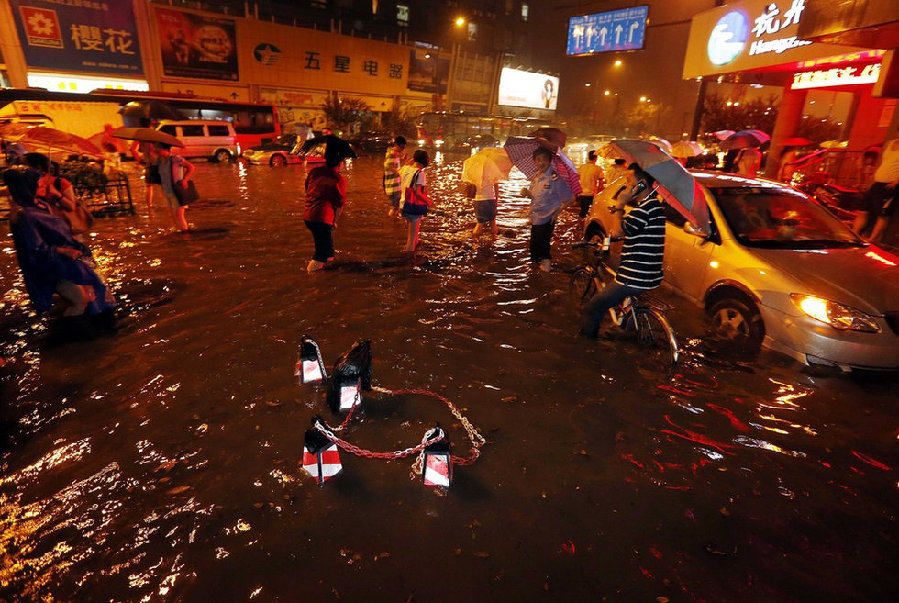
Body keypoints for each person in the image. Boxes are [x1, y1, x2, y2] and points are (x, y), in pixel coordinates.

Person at [2, 168, 115, 321]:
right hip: (51, 267)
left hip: (67, 262)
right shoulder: (24, 215)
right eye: (40, 185)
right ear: (29, 187)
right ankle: (68, 332)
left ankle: (91, 327)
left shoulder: (41, 205)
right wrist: (62, 251)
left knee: (92, 293)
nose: (44, 187)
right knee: (80, 300)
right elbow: (35, 248)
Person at [580, 163, 666, 338]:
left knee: (593, 307)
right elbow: (633, 231)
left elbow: (618, 231)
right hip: (651, 274)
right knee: (617, 268)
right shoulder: (655, 206)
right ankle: (626, 326)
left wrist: (620, 205)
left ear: (641, 184)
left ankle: (585, 346)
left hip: (636, 275)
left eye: (629, 182)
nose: (626, 186)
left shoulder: (642, 210)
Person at [519, 146, 574, 272]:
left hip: (547, 218)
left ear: (550, 161)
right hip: (535, 218)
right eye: (537, 160)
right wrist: (527, 193)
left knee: (543, 247)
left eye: (543, 159)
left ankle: (546, 271)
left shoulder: (555, 178)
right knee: (534, 248)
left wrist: (557, 212)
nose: (540, 163)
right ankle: (535, 276)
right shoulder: (536, 177)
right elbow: (535, 196)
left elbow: (570, 198)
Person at [303, 145, 348, 273]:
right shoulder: (338, 179)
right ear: (340, 163)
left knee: (329, 252)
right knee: (321, 255)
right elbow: (340, 204)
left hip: (308, 215)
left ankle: (328, 271)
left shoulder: (314, 172)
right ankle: (311, 276)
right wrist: (335, 221)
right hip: (322, 218)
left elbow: (307, 189)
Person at [853, 138, 899, 244]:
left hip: (890, 185)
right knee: (863, 210)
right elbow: (882, 161)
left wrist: (896, 181)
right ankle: (854, 234)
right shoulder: (890, 143)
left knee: (883, 215)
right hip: (877, 182)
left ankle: (872, 240)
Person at [156, 143, 196, 232]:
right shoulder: (159, 161)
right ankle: (176, 231)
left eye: (159, 149)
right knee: (171, 215)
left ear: (166, 150)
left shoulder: (175, 159)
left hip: (177, 190)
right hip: (166, 191)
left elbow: (191, 167)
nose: (157, 150)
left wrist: (185, 179)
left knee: (179, 215)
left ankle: (185, 234)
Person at [399, 149, 431, 252]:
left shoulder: (405, 169)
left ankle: (415, 244)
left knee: (413, 236)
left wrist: (413, 159)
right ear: (425, 160)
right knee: (411, 241)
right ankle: (408, 262)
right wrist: (428, 201)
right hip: (413, 206)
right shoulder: (420, 173)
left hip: (403, 205)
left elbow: (406, 165)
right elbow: (417, 193)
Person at [131, 138, 159, 212]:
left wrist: (140, 160)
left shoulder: (141, 140)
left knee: (149, 186)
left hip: (149, 164)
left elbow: (133, 150)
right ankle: (170, 204)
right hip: (159, 163)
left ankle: (149, 206)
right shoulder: (157, 139)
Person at [383, 136, 407, 217]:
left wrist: (402, 160)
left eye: (404, 147)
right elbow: (389, 166)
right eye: (402, 147)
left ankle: (394, 222)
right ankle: (391, 222)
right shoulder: (391, 153)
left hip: (396, 186)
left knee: (396, 206)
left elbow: (392, 163)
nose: (403, 149)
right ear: (396, 145)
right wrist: (400, 173)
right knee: (394, 207)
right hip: (393, 187)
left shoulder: (394, 154)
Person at [576, 150, 604, 218]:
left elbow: (576, 180)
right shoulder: (598, 168)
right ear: (596, 158)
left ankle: (580, 225)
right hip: (591, 194)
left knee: (583, 212)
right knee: (596, 212)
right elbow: (601, 183)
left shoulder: (582, 167)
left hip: (581, 193)